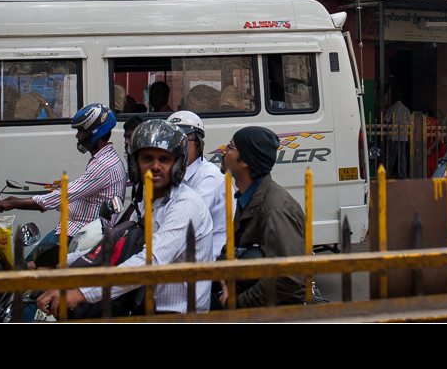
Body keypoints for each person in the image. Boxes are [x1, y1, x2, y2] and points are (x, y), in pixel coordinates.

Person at [35, 119, 214, 317]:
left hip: (178, 316)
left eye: (164, 159)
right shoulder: (148, 201)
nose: (156, 166)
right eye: (147, 159)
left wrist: (81, 293)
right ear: (135, 163)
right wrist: (60, 264)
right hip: (143, 307)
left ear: (176, 165)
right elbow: (117, 247)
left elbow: (151, 261)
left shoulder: (185, 204)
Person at [0, 103, 127, 261]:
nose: (77, 136)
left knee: (28, 268)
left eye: (80, 131)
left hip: (77, 236)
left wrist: (12, 203)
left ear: (94, 132)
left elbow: (63, 196)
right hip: (72, 230)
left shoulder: (104, 165)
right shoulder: (104, 160)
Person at [218, 126, 306, 308]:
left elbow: (288, 277)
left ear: (245, 161)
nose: (223, 151)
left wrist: (236, 303)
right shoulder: (248, 197)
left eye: (230, 147)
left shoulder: (276, 210)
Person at [169, 110, 227, 258]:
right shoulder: (172, 173)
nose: (176, 147)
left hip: (209, 258)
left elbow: (184, 223)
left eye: (183, 141)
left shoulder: (209, 177)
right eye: (171, 141)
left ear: (198, 146)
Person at [383, 92, 411, 179]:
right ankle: (402, 175)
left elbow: (386, 119)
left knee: (391, 156)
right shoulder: (406, 110)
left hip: (393, 136)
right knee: (402, 157)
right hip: (403, 137)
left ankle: (387, 174)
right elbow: (410, 123)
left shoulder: (392, 108)